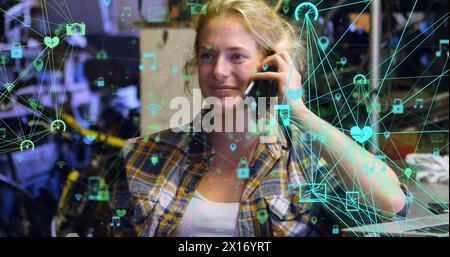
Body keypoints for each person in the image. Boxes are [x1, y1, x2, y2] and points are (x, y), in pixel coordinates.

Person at [111, 0, 408, 237]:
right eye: (207, 55)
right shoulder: (144, 155)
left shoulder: (305, 160)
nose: (218, 71)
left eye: (236, 56)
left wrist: (299, 112)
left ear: (270, 64)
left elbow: (390, 204)